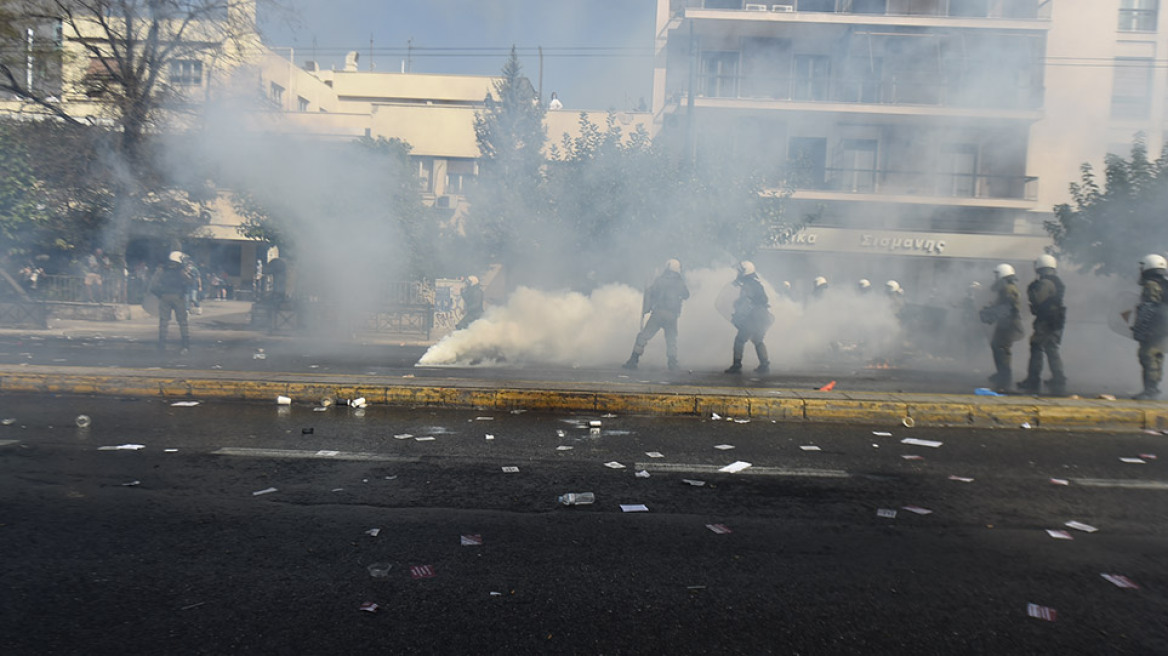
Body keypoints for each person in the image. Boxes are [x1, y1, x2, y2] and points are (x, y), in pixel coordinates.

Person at [622, 259, 690, 371]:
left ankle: (633, 360)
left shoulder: (659, 280)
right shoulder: (679, 282)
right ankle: (672, 363)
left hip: (658, 314)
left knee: (644, 336)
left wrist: (646, 309)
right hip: (672, 316)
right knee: (671, 339)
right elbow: (686, 295)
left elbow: (651, 293)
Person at [1018, 254, 1067, 396]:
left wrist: (1032, 289)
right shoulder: (1056, 281)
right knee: (1052, 349)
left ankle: (1033, 379)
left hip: (1046, 321)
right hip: (1054, 320)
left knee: (1037, 348)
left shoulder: (1045, 283)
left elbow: (1038, 299)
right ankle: (1058, 378)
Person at [979, 263, 1024, 391]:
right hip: (1006, 323)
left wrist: (992, 314)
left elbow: (1008, 307)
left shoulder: (1008, 289)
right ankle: (1002, 374)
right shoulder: (1007, 288)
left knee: (1002, 349)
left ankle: (1005, 378)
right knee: (996, 345)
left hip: (1009, 325)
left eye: (996, 275)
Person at [725, 260, 771, 374]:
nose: (738, 273)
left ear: (745, 271)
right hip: (763, 316)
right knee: (758, 340)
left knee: (740, 340)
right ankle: (764, 364)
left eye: (740, 271)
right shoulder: (756, 283)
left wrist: (737, 309)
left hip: (753, 317)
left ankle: (736, 364)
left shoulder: (748, 285)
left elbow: (745, 300)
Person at [1133, 254, 1168, 399]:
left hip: (1154, 328)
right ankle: (1152, 389)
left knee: (1148, 356)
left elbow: (1149, 308)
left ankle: (1151, 390)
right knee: (1156, 357)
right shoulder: (1163, 283)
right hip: (1162, 326)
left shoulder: (1151, 285)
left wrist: (1140, 328)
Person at [149, 251, 192, 354]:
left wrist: (160, 295)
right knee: (182, 322)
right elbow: (190, 282)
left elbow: (153, 285)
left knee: (163, 322)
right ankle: (185, 345)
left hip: (165, 297)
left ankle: (161, 345)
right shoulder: (181, 271)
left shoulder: (161, 270)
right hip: (178, 297)